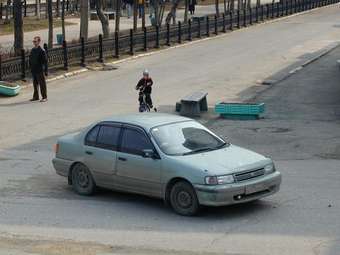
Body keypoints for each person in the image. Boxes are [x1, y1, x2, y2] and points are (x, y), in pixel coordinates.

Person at [29, 36, 48, 102]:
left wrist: (45, 70)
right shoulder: (33, 50)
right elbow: (30, 59)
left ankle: (44, 97)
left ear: (39, 42)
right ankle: (36, 97)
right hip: (34, 70)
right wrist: (31, 68)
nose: (34, 42)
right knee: (35, 84)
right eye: (33, 41)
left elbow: (45, 61)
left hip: (40, 70)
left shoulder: (42, 50)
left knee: (42, 84)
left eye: (35, 41)